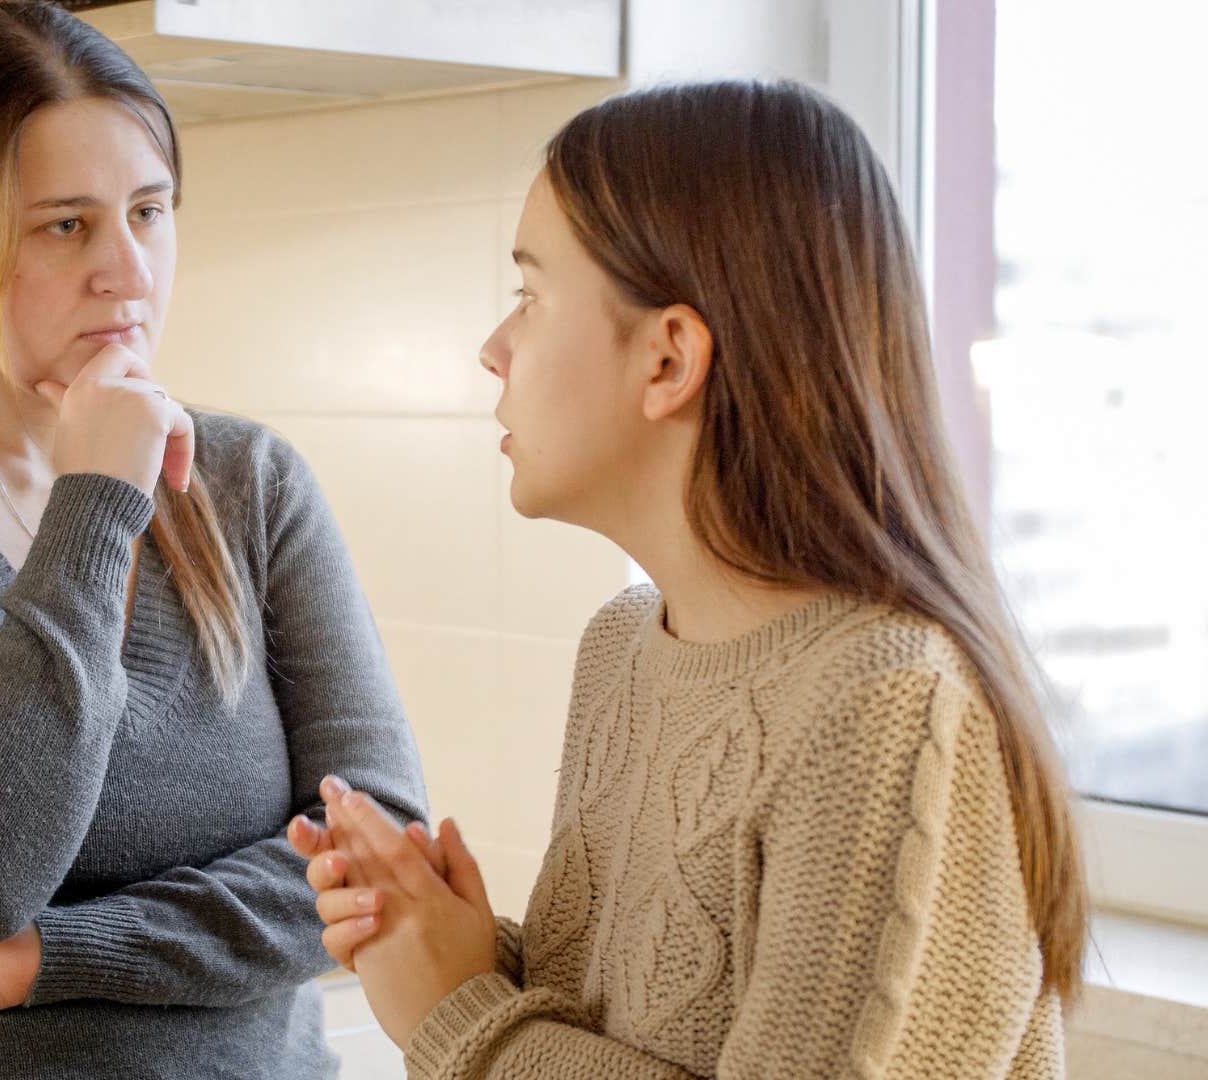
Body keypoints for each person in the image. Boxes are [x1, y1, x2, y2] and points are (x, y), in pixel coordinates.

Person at [293, 80, 1084, 1079]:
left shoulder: (887, 705)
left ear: (668, 360)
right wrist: (448, 945)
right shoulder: (622, 646)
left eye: (530, 297)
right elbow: (629, 1023)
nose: (494, 350)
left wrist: (459, 1017)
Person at [0, 2, 425, 1076]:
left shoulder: (252, 480)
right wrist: (97, 497)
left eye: (149, 211)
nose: (129, 271)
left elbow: (377, 857)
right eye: (66, 226)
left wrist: (47, 956)